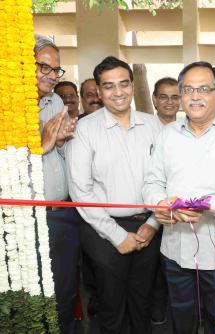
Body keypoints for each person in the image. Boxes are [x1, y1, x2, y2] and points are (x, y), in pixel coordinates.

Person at [143, 61, 215, 334]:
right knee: (181, 321)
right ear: (181, 95)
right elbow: (152, 182)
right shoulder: (167, 135)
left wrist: (203, 205)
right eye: (188, 89)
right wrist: (161, 204)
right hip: (174, 248)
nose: (195, 96)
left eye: (204, 89)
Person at [66, 56, 161, 334]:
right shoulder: (85, 129)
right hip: (102, 229)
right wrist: (117, 236)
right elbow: (80, 190)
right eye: (108, 86)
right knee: (110, 307)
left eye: (123, 84)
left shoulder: (153, 125)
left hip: (148, 227)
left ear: (132, 85)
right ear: (97, 90)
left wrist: (153, 224)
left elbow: (166, 180)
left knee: (142, 303)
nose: (117, 92)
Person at [35, 35, 79, 334]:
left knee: (64, 289)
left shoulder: (56, 101)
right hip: (23, 216)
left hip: (62, 213)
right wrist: (42, 144)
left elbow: (60, 151)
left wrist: (61, 142)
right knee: (30, 292)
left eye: (56, 70)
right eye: (45, 68)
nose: (52, 76)